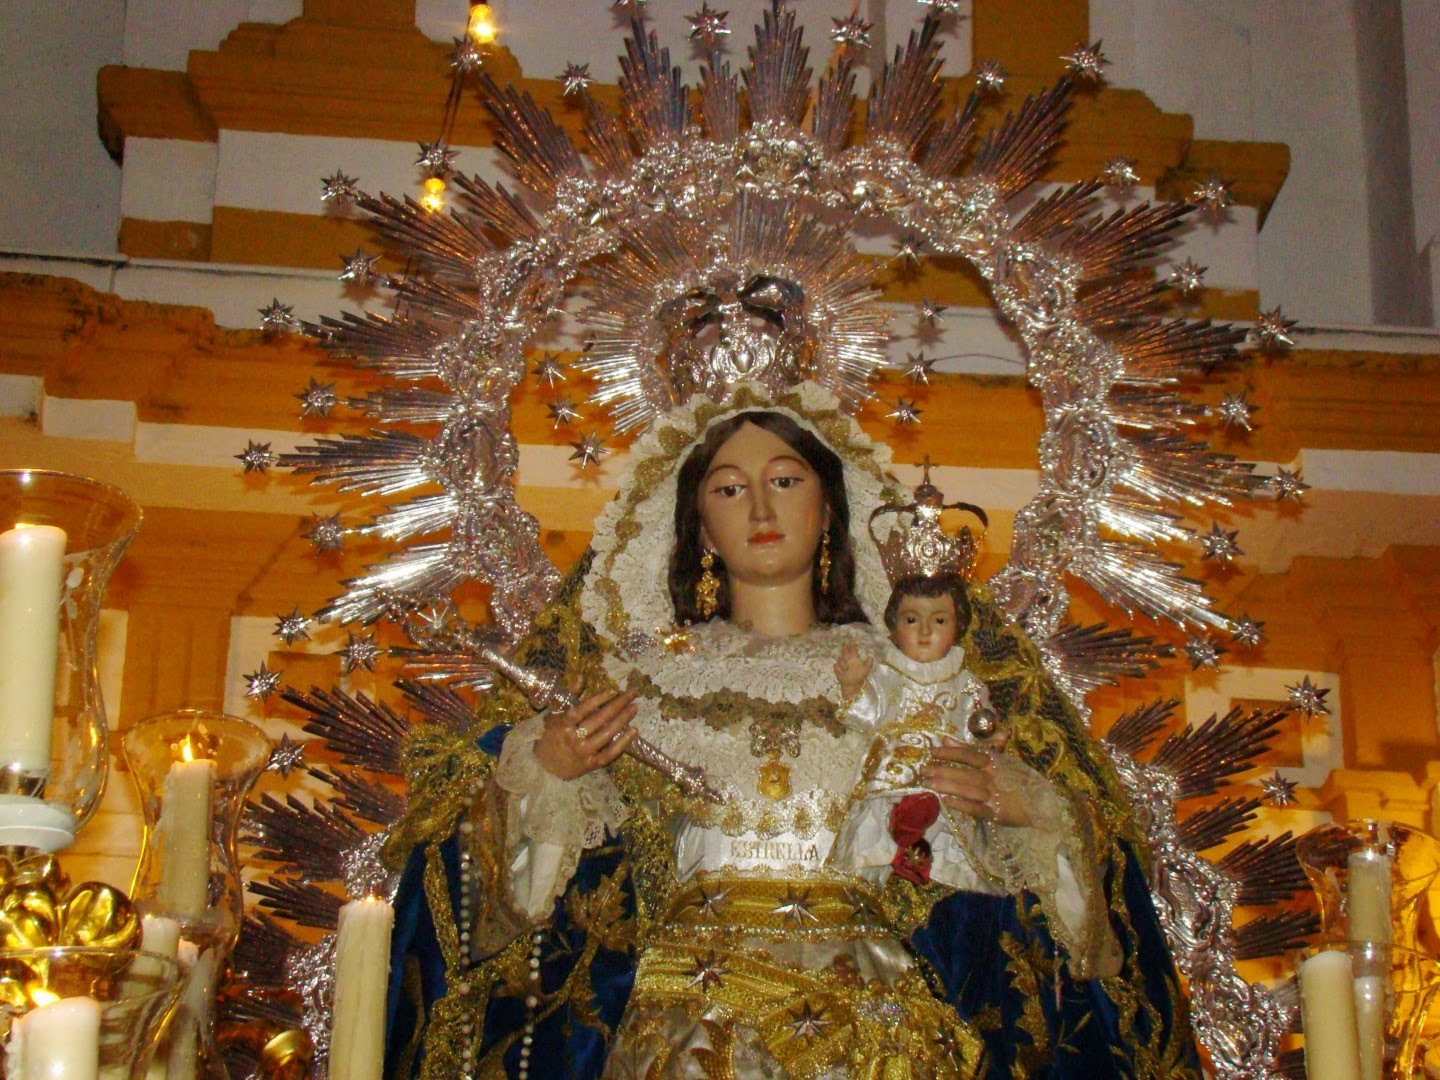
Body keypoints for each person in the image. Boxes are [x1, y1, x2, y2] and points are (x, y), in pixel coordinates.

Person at [381, 383, 1202, 1079]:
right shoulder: (640, 682)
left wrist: (1030, 813)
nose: (762, 508)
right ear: (699, 527)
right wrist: (549, 771)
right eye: (728, 490)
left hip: (875, 1022)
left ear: (830, 506)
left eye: (784, 479)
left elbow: (989, 894)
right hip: (687, 1023)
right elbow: (515, 902)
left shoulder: (914, 678)